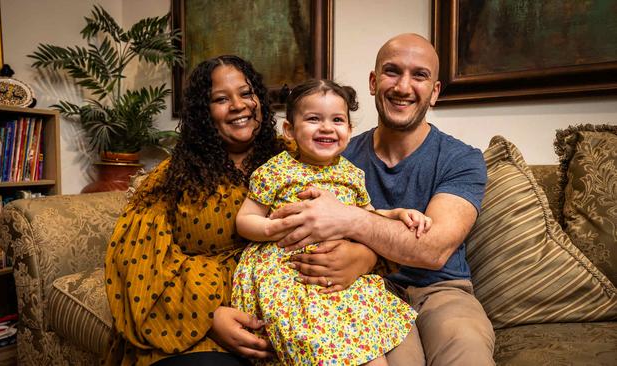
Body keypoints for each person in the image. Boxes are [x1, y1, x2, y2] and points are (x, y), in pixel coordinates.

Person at [267, 34, 496, 365]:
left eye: (419, 75)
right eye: (392, 71)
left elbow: (433, 249)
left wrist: (349, 219)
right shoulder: (331, 155)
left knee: (466, 351)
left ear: (434, 92)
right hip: (359, 290)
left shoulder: (461, 158)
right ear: (374, 82)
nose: (403, 87)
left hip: (440, 291)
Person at [104, 55, 285, 366]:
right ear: (204, 113)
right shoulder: (173, 175)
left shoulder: (295, 159)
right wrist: (209, 318)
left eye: (245, 93)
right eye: (220, 99)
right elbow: (135, 261)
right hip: (189, 326)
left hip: (285, 313)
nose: (238, 105)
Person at [232, 79, 428, 366]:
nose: (326, 127)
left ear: (348, 130)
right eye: (313, 119)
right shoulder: (275, 171)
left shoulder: (351, 174)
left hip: (339, 276)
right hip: (290, 274)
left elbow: (367, 216)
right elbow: (245, 219)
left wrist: (396, 214)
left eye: (337, 120)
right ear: (290, 130)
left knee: (369, 347)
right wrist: (269, 228)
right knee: (314, 342)